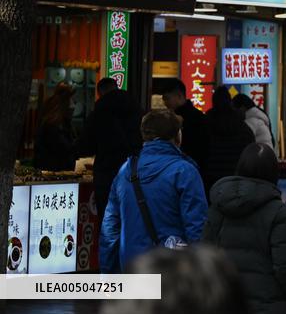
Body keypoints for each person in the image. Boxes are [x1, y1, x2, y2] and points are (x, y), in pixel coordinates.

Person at [99, 110, 208, 273]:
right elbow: (197, 228)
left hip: (132, 267)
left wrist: (107, 276)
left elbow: (110, 229)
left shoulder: (126, 171)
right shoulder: (185, 171)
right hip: (173, 271)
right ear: (177, 136)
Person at [203, 143, 286, 313]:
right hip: (269, 302)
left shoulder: (219, 204)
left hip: (228, 299)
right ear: (273, 172)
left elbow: (206, 251)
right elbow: (284, 265)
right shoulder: (278, 212)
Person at [100, 245, 249, 314]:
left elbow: (109, 233)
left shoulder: (121, 181)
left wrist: (106, 278)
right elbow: (195, 222)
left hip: (141, 268)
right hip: (186, 274)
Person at [77, 77, 142, 221]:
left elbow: (86, 145)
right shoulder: (136, 108)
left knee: (108, 220)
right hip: (134, 171)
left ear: (100, 92)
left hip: (107, 173)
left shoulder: (100, 111)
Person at [204, 89, 255, 199]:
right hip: (237, 180)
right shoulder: (243, 127)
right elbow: (251, 150)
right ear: (230, 101)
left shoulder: (205, 124)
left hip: (211, 181)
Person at [161, 78, 209, 171]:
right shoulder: (200, 117)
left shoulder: (176, 119)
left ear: (179, 96)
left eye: (167, 98)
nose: (165, 103)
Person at [33, 83, 76, 171]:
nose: (73, 105)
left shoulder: (50, 111)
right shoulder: (54, 123)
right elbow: (64, 147)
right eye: (71, 100)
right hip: (54, 170)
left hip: (51, 169)